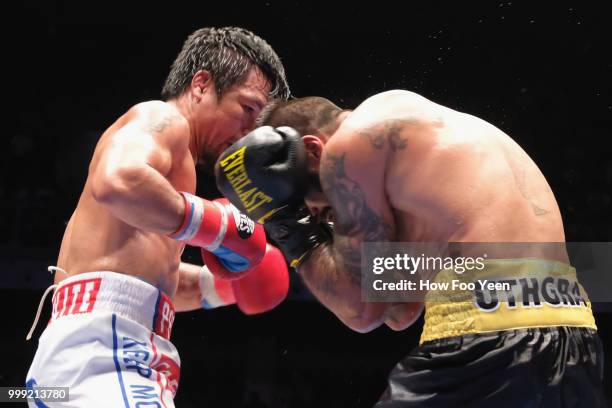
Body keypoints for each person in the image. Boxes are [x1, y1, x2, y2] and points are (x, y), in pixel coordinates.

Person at [215, 91, 606, 406]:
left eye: (320, 209)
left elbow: (361, 311)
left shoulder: (349, 148)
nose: (329, 220)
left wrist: (287, 223)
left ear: (314, 151)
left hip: (491, 342)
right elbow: (399, 312)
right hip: (575, 341)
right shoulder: (421, 141)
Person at [25, 27, 291, 408]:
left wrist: (225, 287)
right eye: (247, 109)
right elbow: (116, 180)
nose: (249, 131)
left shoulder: (171, 179)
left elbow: (133, 284)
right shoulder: (162, 118)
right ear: (201, 85)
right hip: (105, 353)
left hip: (94, 354)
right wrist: (217, 226)